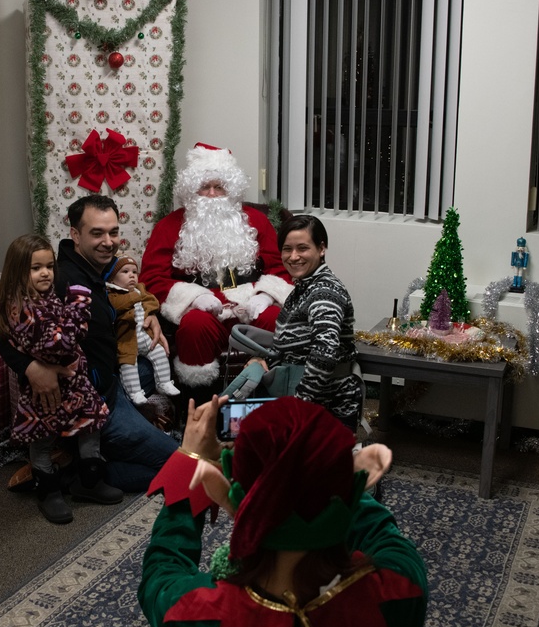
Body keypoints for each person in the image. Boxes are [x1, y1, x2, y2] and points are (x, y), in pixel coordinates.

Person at [139, 395, 427, 627]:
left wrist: (192, 458)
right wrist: (319, 462)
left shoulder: (193, 619)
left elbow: (162, 567)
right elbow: (378, 529)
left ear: (236, 498)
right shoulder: (402, 586)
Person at [0, 195, 177, 493]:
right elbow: (2, 332)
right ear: (75, 235)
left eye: (114, 232)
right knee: (177, 463)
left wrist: (149, 313)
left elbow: (125, 299)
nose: (108, 241)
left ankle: (84, 453)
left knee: (158, 362)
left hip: (110, 377)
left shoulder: (98, 269)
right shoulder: (59, 279)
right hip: (91, 398)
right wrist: (29, 367)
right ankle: (79, 472)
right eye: (97, 233)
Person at [0, 234, 122, 524]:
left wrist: (73, 320)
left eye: (49, 266)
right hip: (46, 390)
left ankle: (89, 481)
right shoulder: (20, 308)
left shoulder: (46, 295)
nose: (46, 273)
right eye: (36, 268)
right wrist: (78, 305)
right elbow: (56, 346)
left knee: (90, 423)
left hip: (76, 383)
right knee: (43, 435)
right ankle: (48, 490)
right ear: (17, 272)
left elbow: (72, 335)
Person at [140, 143, 292, 393]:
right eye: (204, 187)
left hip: (250, 304)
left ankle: (273, 395)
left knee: (275, 319)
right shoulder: (170, 226)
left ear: (231, 190)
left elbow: (279, 268)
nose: (211, 194)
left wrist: (266, 296)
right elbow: (152, 278)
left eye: (219, 187)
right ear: (191, 190)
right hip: (203, 310)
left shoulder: (257, 221)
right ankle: (200, 401)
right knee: (194, 327)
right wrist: (194, 297)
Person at [242, 215, 362, 431]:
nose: (293, 256)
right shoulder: (304, 287)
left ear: (321, 248)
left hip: (324, 407)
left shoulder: (324, 291)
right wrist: (264, 358)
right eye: (287, 249)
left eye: (302, 248)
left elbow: (325, 353)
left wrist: (299, 404)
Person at [106, 255, 182, 405]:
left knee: (160, 352)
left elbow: (152, 300)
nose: (131, 275)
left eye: (134, 272)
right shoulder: (112, 294)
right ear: (112, 279)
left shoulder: (139, 289)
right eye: (125, 272)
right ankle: (135, 393)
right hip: (128, 341)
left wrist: (149, 309)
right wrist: (134, 296)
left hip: (145, 336)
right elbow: (118, 305)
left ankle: (164, 382)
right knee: (128, 364)